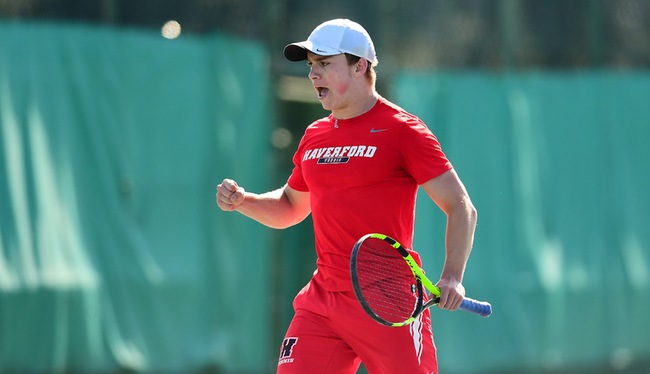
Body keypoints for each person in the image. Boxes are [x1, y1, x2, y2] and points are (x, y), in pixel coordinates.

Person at [216, 18, 477, 374]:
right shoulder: (314, 136)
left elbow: (461, 206)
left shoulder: (403, 130)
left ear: (361, 66)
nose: (313, 75)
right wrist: (243, 200)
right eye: (311, 66)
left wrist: (452, 275)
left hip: (388, 302)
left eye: (324, 64)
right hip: (322, 302)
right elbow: (291, 208)